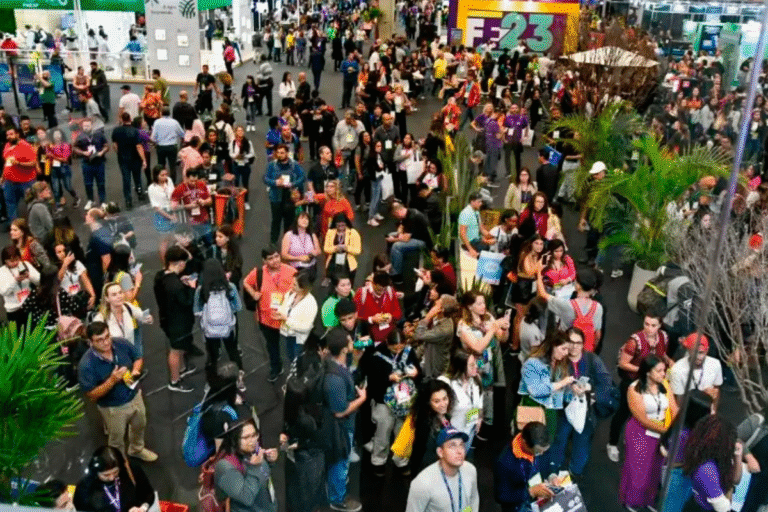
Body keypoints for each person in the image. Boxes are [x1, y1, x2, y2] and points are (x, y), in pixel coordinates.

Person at [78, 322, 157, 461]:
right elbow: (91, 395)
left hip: (134, 396)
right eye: (99, 340)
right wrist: (112, 380)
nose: (106, 342)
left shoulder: (121, 343)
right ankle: (119, 462)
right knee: (116, 438)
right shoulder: (86, 365)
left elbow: (137, 357)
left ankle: (136, 449)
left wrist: (135, 370)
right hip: (113, 408)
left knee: (140, 425)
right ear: (90, 342)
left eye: (107, 336)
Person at [608, 314, 674, 462]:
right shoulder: (634, 342)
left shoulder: (663, 337)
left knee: (641, 412)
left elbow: (662, 354)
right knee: (623, 412)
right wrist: (644, 371)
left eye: (653, 325)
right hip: (632, 382)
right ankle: (612, 443)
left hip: (650, 384)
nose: (649, 328)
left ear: (659, 326)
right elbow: (623, 363)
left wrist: (670, 362)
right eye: (646, 324)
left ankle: (629, 437)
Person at [549, 327, 614, 477]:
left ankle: (574, 472)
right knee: (559, 440)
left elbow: (606, 382)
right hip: (563, 410)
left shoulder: (592, 360)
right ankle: (554, 470)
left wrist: (589, 388)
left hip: (585, 411)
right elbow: (551, 382)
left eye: (578, 343)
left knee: (582, 442)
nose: (574, 346)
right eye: (570, 342)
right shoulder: (559, 359)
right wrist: (568, 387)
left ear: (583, 344)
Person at [619, 355, 678, 510]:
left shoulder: (664, 385)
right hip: (640, 432)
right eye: (658, 371)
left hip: (661, 431)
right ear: (647, 372)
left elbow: (674, 409)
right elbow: (642, 419)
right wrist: (667, 430)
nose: (663, 374)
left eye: (663, 370)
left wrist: (673, 427)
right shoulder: (634, 389)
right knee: (638, 470)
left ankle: (649, 499)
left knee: (655, 469)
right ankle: (632, 500)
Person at [360, 329, 421, 476]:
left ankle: (401, 460)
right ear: (388, 343)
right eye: (395, 348)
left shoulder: (409, 352)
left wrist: (416, 373)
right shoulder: (376, 356)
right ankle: (378, 461)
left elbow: (419, 372)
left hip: (405, 400)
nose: (398, 351)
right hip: (384, 401)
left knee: (402, 432)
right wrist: (388, 378)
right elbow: (373, 382)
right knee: (383, 432)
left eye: (401, 347)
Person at [322, 328, 365, 512]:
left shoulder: (335, 364)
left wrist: (356, 360)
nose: (352, 342)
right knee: (340, 462)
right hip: (340, 427)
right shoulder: (335, 380)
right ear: (343, 349)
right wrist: (361, 399)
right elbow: (340, 412)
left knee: (339, 462)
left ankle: (335, 483)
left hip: (342, 425)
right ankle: (337, 498)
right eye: (349, 341)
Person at [243, 245, 297, 382]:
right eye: (270, 258)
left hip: (287, 319)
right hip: (267, 319)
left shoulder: (291, 271)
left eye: (276, 256)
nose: (275, 260)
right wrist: (253, 293)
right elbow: (246, 282)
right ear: (264, 261)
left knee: (293, 347)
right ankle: (276, 368)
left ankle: (296, 371)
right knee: (272, 347)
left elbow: (301, 289)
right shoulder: (258, 273)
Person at [457, 290, 510, 430]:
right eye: (479, 303)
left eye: (484, 302)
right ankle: (471, 427)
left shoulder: (487, 317)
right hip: (473, 365)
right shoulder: (464, 326)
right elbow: (478, 347)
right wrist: (492, 329)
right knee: (474, 398)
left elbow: (502, 338)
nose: (483, 306)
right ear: (469, 306)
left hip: (488, 363)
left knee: (487, 395)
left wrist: (505, 329)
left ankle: (486, 424)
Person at [153, 245, 198, 393]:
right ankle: (175, 381)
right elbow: (186, 301)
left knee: (177, 348)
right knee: (175, 350)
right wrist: (191, 287)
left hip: (167, 317)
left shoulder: (161, 276)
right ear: (179, 263)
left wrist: (181, 281)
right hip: (177, 322)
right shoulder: (175, 285)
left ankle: (181, 369)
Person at [660, 390, 715, 512]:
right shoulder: (684, 435)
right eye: (710, 411)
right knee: (672, 507)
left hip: (680, 473)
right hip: (678, 475)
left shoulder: (684, 426)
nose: (712, 413)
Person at [194, 258, 244, 387]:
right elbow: (238, 307)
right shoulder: (230, 287)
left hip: (210, 330)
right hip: (228, 327)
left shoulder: (201, 290)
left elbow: (196, 310)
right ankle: (239, 379)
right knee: (233, 351)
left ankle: (211, 381)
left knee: (213, 354)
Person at [406, 426, 480, 512]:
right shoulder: (422, 483)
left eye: (461, 445)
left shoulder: (471, 470)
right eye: (452, 446)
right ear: (440, 452)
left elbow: (474, 501)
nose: (459, 451)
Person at [213, 418, 279, 512]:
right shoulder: (225, 466)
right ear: (234, 439)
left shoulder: (251, 453)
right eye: (246, 437)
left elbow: (262, 476)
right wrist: (255, 467)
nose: (252, 441)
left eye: (254, 435)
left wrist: (270, 461)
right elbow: (246, 498)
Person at [535, 264, 604, 352]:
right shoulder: (598, 307)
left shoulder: (567, 305)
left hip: (566, 347)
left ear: (578, 286)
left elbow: (542, 294)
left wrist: (538, 273)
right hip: (584, 350)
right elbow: (597, 335)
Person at [681, 415, 741, 512]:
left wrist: (737, 457)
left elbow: (736, 480)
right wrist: (729, 486)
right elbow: (723, 508)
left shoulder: (712, 461)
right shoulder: (706, 469)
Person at [494, 421, 554, 512]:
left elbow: (545, 462)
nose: (541, 454)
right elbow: (501, 496)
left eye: (544, 451)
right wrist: (530, 492)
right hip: (517, 506)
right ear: (524, 442)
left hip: (536, 498)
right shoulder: (504, 462)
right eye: (538, 452)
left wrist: (551, 475)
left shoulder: (540, 445)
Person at [73, 446, 156, 512]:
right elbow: (80, 507)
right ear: (96, 472)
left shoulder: (131, 470)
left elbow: (148, 494)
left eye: (116, 472)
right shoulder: (85, 486)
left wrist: (143, 508)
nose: (112, 477)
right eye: (106, 475)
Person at [438, 349, 483, 451]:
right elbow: (434, 404)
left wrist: (479, 418)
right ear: (461, 368)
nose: (476, 366)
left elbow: (479, 400)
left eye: (475, 363)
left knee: (464, 454)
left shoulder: (476, 379)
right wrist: (442, 419)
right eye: (471, 365)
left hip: (470, 428)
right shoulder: (447, 383)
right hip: (453, 433)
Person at [410, 378, 455, 474]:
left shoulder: (445, 416)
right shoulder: (426, 425)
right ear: (428, 402)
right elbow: (424, 456)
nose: (443, 404)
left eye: (445, 398)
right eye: (437, 401)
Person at [94, 282, 150, 357]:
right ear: (107, 298)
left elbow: (142, 316)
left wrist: (148, 317)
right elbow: (96, 344)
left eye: (120, 292)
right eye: (114, 295)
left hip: (131, 355)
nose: (119, 296)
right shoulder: (100, 319)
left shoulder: (127, 307)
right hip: (115, 359)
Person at [264, 144, 306, 244]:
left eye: (282, 153)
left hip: (290, 197)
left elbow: (302, 177)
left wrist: (293, 184)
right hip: (276, 197)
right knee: (276, 221)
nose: (280, 155)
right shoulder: (272, 165)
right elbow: (265, 178)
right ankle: (273, 242)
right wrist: (275, 182)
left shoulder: (294, 164)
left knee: (289, 221)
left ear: (287, 153)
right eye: (278, 153)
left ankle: (287, 242)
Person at [273, 271, 318, 365]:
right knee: (290, 356)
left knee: (297, 359)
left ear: (303, 288)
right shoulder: (291, 294)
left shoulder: (311, 304)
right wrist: (279, 313)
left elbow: (306, 328)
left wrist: (286, 319)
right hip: (288, 334)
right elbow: (284, 307)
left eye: (294, 285)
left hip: (298, 339)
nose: (291, 286)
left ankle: (299, 375)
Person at [670, 333, 723, 409]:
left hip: (706, 410)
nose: (698, 357)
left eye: (701, 352)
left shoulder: (715, 364)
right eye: (695, 352)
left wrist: (713, 411)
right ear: (688, 350)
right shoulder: (677, 369)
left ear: (707, 350)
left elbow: (717, 392)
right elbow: (679, 402)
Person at [388, 201, 433, 283]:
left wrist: (394, 239)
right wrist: (399, 234)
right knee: (391, 234)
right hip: (414, 236)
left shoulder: (413, 217)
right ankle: (393, 264)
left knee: (396, 246)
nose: (396, 218)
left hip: (423, 241)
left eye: (395, 215)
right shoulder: (407, 213)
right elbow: (401, 227)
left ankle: (397, 275)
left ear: (398, 212)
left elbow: (406, 239)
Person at [354, 271, 402, 343]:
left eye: (384, 288)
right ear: (373, 283)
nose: (382, 291)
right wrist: (372, 319)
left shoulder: (390, 291)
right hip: (368, 337)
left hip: (389, 338)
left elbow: (398, 313)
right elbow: (355, 315)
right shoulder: (362, 293)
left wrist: (391, 317)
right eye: (379, 289)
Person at [112, 112, 147, 209]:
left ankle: (128, 200)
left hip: (123, 159)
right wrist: (143, 160)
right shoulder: (135, 131)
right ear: (130, 119)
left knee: (126, 179)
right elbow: (139, 146)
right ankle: (140, 192)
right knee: (137, 177)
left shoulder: (116, 131)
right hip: (135, 158)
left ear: (122, 120)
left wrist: (119, 153)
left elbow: (115, 145)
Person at [3, 126, 39, 220]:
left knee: (32, 204)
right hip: (10, 182)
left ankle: (35, 224)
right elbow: (7, 163)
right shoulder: (7, 145)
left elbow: (34, 163)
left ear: (17, 135)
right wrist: (2, 177)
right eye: (7, 135)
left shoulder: (26, 146)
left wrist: (19, 163)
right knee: (10, 204)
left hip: (26, 182)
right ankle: (15, 227)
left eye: (11, 134)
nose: (8, 136)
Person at [0, 245, 40, 326]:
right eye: (11, 261)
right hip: (14, 310)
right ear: (5, 261)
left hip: (30, 306)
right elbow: (3, 292)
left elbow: (39, 281)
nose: (15, 262)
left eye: (17, 259)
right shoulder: (2, 272)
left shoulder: (25, 264)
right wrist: (15, 280)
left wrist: (29, 276)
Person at [73, 118, 109, 209]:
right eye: (84, 126)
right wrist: (83, 153)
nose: (86, 127)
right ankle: (90, 200)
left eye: (88, 126)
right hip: (86, 163)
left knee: (101, 183)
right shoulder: (80, 136)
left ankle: (103, 201)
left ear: (92, 125)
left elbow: (106, 146)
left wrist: (102, 152)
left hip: (99, 162)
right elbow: (75, 148)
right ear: (82, 126)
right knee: (88, 183)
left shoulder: (99, 134)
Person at [281, 211, 321, 280]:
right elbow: (284, 255)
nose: (305, 220)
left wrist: (315, 253)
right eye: (302, 218)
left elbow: (319, 251)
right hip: (295, 268)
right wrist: (299, 258)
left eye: (307, 219)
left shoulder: (312, 235)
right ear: (296, 220)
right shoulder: (289, 235)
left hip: (310, 268)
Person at [47, 128, 80, 210]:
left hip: (64, 168)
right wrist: (46, 171)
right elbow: (46, 158)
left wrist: (53, 156)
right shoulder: (49, 145)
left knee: (68, 186)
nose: (57, 136)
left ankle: (76, 197)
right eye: (55, 135)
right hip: (54, 169)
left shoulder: (65, 145)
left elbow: (65, 159)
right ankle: (58, 205)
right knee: (56, 188)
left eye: (58, 134)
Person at [151, 107, 185, 184]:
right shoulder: (174, 122)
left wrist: (155, 142)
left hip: (161, 147)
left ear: (161, 113)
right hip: (172, 146)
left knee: (161, 165)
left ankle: (162, 180)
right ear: (169, 113)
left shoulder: (157, 122)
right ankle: (172, 183)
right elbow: (182, 134)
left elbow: (153, 138)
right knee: (172, 166)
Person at [458, 191, 495, 258]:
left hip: (477, 240)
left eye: (481, 202)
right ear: (472, 202)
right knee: (486, 249)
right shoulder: (466, 213)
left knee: (493, 246)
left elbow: (481, 229)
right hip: (470, 242)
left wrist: (492, 236)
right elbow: (462, 233)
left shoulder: (476, 212)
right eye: (479, 202)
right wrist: (470, 249)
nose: (480, 204)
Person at [229, 125, 255, 207]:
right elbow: (230, 154)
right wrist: (236, 156)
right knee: (236, 183)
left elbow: (252, 153)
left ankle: (246, 201)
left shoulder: (248, 142)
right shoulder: (232, 143)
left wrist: (245, 156)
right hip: (236, 165)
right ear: (235, 132)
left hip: (245, 165)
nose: (240, 132)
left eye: (241, 131)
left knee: (245, 183)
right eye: (238, 131)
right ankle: (237, 200)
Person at [148, 166, 176, 233]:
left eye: (166, 174)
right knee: (165, 239)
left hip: (172, 210)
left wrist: (174, 213)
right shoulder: (152, 188)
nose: (165, 177)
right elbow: (156, 207)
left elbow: (174, 196)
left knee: (176, 236)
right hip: (161, 214)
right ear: (156, 176)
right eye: (162, 175)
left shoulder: (169, 180)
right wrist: (170, 217)